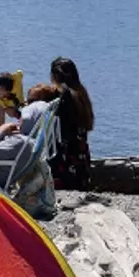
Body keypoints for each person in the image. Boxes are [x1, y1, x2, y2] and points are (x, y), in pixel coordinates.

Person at [49, 57, 94, 190]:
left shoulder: (64, 97)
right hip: (81, 154)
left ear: (55, 75)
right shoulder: (80, 92)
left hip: (67, 158)